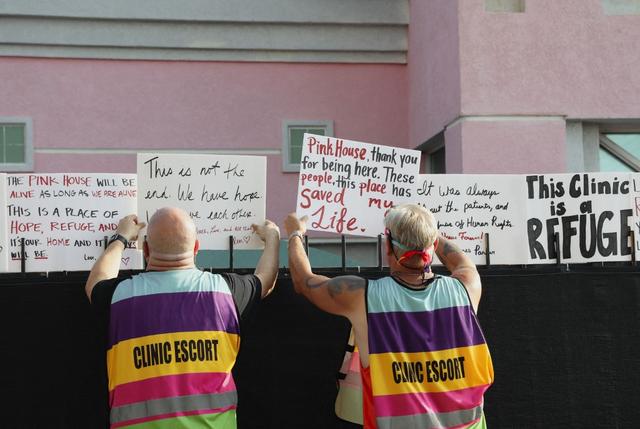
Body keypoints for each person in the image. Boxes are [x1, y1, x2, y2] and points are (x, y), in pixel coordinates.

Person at [285, 204, 493, 429]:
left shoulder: (361, 296)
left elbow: (303, 281)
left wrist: (295, 233)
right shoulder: (466, 288)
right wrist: (424, 230)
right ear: (433, 245)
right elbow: (460, 262)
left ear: (387, 246)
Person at [85, 207, 280, 429]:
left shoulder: (120, 296)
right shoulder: (225, 292)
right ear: (196, 247)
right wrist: (272, 237)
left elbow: (95, 283)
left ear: (146, 250)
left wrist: (120, 238)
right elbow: (266, 280)